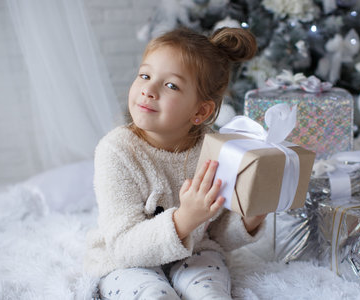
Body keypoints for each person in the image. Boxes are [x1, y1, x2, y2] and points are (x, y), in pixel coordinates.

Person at [84, 27, 267, 299]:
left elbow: (216, 235)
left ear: (200, 111)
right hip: (126, 260)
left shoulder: (215, 149)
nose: (148, 90)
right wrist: (184, 219)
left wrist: (250, 219)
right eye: (145, 75)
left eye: (171, 85)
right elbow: (123, 246)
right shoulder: (117, 151)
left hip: (195, 251)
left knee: (211, 291)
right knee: (152, 294)